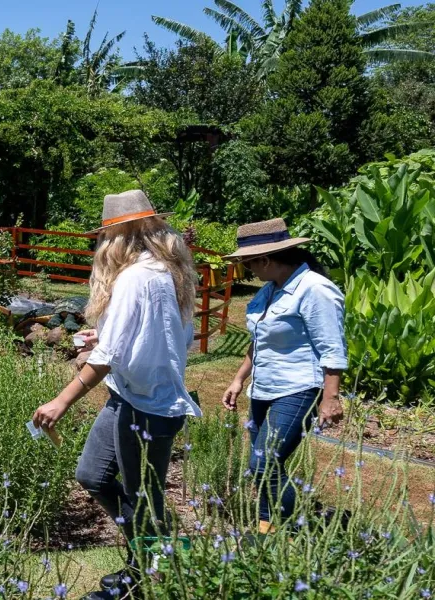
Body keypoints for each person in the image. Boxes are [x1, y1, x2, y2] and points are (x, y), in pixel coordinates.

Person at [30, 190, 201, 600]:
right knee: (92, 475)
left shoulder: (136, 277)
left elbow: (110, 356)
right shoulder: (166, 271)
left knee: (142, 499)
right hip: (128, 396)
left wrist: (61, 401)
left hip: (149, 406)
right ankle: (152, 553)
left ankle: (143, 579)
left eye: (103, 237)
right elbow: (164, 337)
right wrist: (104, 334)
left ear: (118, 237)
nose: (100, 244)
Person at [221, 218, 346, 535]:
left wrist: (331, 398)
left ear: (265, 260)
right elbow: (259, 339)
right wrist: (239, 379)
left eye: (248, 264)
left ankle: (292, 533)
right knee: (263, 466)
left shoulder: (315, 290)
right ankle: (268, 532)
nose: (248, 271)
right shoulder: (270, 290)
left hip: (298, 389)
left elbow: (332, 348)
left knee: (264, 464)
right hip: (263, 390)